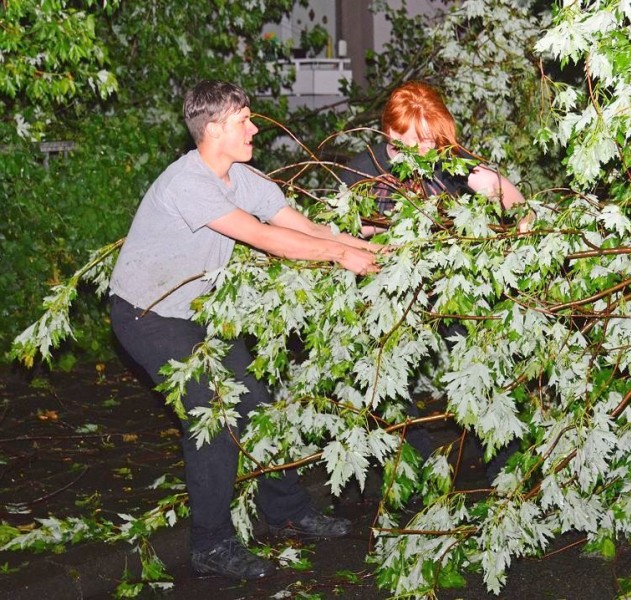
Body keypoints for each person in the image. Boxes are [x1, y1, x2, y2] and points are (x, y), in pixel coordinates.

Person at [108, 80, 382, 581]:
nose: (255, 127)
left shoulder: (243, 177)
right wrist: (342, 255)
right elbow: (264, 238)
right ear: (213, 129)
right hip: (147, 316)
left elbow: (298, 225)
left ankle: (285, 511)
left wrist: (360, 244)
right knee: (215, 413)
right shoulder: (187, 183)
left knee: (257, 404)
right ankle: (210, 546)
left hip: (196, 314)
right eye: (244, 120)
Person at [341, 80, 525, 483]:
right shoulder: (364, 168)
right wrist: (373, 233)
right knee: (380, 383)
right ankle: (422, 465)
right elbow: (340, 234)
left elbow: (512, 201)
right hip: (389, 291)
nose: (426, 150)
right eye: (416, 141)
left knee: (481, 369)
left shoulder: (448, 158)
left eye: (431, 140)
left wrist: (507, 204)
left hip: (450, 284)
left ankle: (506, 470)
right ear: (391, 135)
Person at [340, 80, 525, 233]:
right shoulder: (360, 170)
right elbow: (342, 231)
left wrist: (526, 220)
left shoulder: (443, 156)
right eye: (421, 139)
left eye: (433, 139)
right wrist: (396, 222)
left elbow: (493, 182)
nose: (430, 146)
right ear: (395, 134)